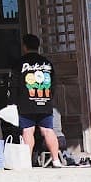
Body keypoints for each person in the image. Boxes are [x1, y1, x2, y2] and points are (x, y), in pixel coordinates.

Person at [17, 33, 62, 168]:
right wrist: (48, 98)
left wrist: (13, 101)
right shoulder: (47, 63)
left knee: (27, 130)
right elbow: (53, 83)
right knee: (48, 130)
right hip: (44, 101)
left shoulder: (20, 63)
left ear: (24, 47)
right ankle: (56, 160)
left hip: (27, 103)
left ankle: (27, 162)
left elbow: (15, 83)